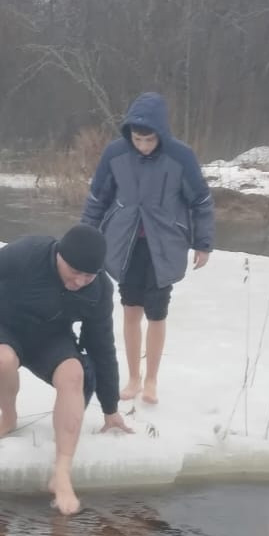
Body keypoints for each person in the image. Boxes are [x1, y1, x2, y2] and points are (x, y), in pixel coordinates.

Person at [0, 224, 133, 515]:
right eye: (75, 271)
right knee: (1, 361)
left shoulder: (99, 288)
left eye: (89, 275)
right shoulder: (28, 253)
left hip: (52, 339)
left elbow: (101, 347)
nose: (81, 281)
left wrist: (111, 409)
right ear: (60, 255)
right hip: (4, 327)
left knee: (74, 374)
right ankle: (8, 416)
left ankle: (62, 473)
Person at [81, 91, 215, 405]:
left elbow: (201, 201)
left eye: (149, 140)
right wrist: (85, 239)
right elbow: (97, 199)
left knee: (156, 312)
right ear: (129, 134)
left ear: (160, 134)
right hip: (123, 242)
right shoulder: (115, 154)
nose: (142, 145)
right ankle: (133, 377)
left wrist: (203, 243)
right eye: (137, 139)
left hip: (165, 243)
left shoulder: (180, 156)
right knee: (130, 309)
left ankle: (152, 379)